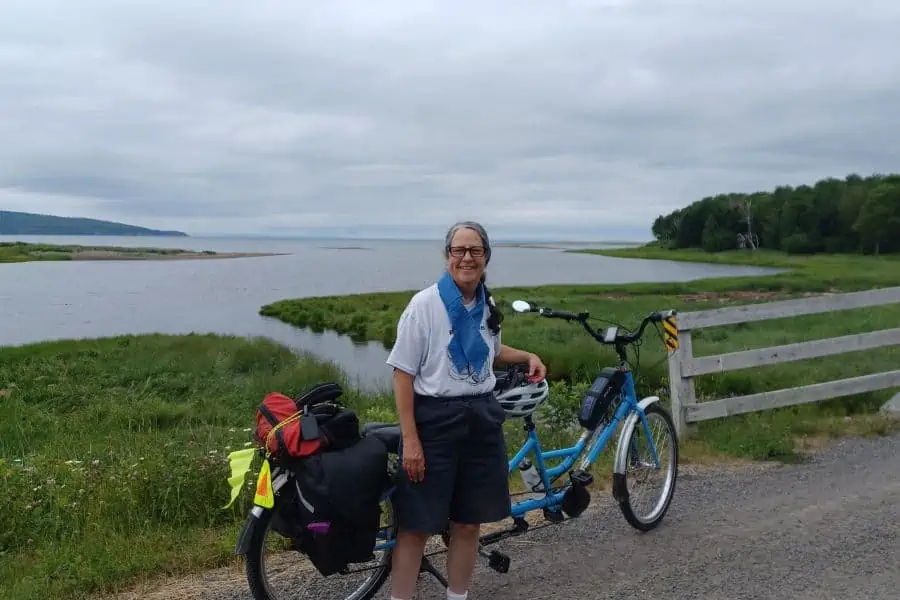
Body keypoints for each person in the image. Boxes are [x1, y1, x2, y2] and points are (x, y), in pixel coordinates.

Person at [385, 221, 548, 600]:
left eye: (475, 250)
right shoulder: (424, 305)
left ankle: (457, 596)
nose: (467, 258)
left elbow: (490, 352)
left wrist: (526, 356)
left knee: (468, 523)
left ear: (486, 258)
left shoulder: (487, 304)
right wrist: (411, 440)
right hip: (435, 424)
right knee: (415, 527)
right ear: (447, 258)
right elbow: (402, 374)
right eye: (459, 250)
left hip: (481, 420)